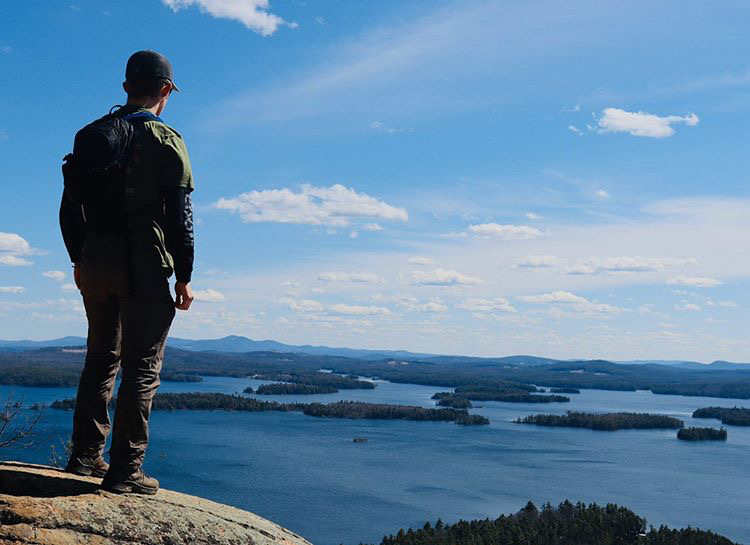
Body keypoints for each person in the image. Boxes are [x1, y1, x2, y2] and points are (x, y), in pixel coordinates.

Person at [59, 50, 195, 494]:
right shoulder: (167, 139)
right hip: (143, 264)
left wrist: (78, 258)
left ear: (124, 88)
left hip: (95, 260)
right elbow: (180, 217)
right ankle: (125, 471)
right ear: (165, 90)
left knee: (100, 358)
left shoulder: (93, 135)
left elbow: (69, 205)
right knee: (142, 368)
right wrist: (185, 274)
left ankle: (84, 457)